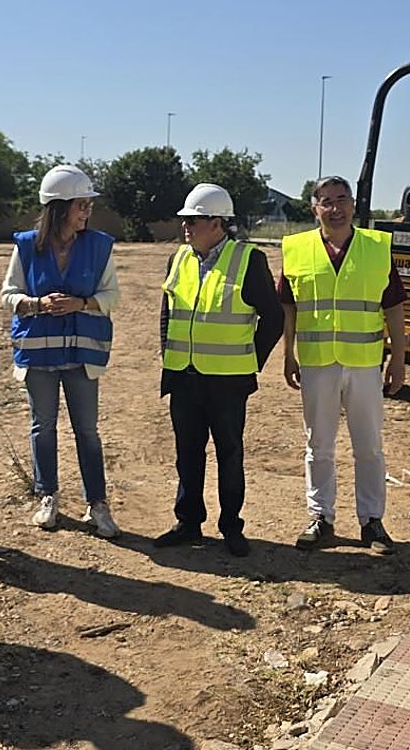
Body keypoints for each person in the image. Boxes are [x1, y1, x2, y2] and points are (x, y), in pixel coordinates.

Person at [152, 184, 282, 557]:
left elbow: (272, 318)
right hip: (183, 376)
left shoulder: (248, 260)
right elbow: (168, 313)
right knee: (187, 454)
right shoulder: (178, 258)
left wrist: (249, 360)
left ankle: (231, 526)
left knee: (229, 453)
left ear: (217, 222)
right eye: (185, 220)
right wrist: (168, 354)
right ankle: (188, 522)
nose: (186, 227)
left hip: (227, 382)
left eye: (192, 220)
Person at [280, 175, 407, 555]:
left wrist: (398, 358)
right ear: (314, 208)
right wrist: (288, 354)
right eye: (326, 202)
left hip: (365, 363)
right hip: (318, 363)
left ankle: (372, 522)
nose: (335, 209)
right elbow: (288, 309)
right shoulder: (296, 249)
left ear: (353, 203)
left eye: (342, 199)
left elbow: (395, 307)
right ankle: (321, 518)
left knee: (368, 446)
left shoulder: (376, 247)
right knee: (318, 445)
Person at [1, 165, 121, 538]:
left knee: (87, 431)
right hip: (39, 356)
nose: (87, 212)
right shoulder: (25, 246)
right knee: (44, 428)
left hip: (82, 355)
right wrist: (35, 304)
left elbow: (111, 295)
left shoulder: (98, 246)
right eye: (81, 205)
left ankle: (96, 504)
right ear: (59, 208)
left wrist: (81, 303)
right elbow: (8, 294)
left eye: (88, 205)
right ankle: (47, 497)